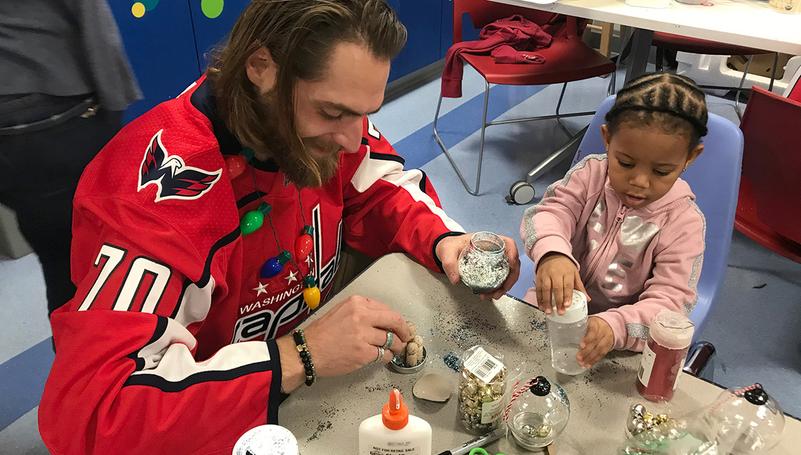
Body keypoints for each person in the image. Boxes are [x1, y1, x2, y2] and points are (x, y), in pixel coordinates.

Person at [39, 1, 520, 453]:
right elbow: (92, 415)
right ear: (261, 68)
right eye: (333, 112)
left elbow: (380, 189)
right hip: (217, 414)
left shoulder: (317, 128)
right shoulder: (155, 197)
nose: (354, 138)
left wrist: (445, 241)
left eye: (365, 115)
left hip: (307, 378)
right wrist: (297, 357)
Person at [520, 72, 707, 369]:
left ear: (691, 158)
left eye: (661, 172)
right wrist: (553, 253)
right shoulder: (590, 174)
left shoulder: (684, 222)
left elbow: (671, 306)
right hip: (553, 308)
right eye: (626, 163)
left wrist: (615, 326)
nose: (640, 182)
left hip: (622, 340)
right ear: (607, 139)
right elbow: (548, 213)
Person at [0, 0, 140, 314]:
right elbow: (93, 21)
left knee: (57, 258)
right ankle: (103, 354)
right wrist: (115, 114)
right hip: (55, 120)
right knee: (95, 259)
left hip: (11, 135)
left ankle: (74, 350)